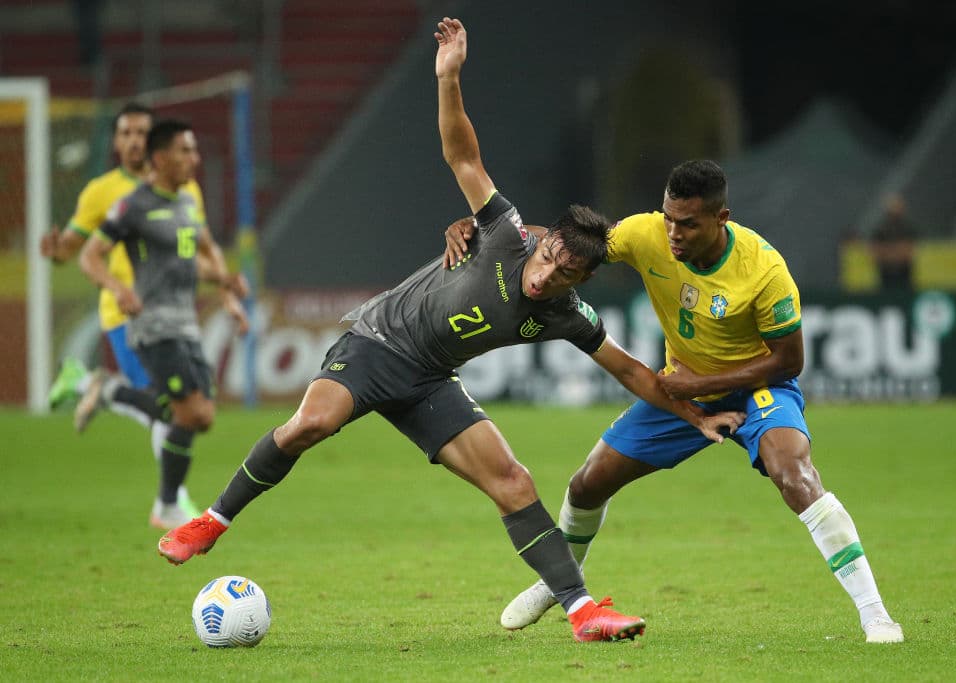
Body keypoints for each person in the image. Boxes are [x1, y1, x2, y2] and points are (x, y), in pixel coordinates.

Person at [156, 17, 743, 644]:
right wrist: (449, 77)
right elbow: (463, 153)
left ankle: (581, 613)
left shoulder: (564, 313)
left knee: (513, 480)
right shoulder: (504, 232)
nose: (547, 279)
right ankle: (211, 522)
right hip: (377, 343)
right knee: (310, 425)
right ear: (543, 241)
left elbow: (631, 371)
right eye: (549, 260)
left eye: (567, 275)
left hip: (430, 379)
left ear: (581, 280)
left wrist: (695, 417)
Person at [446, 161, 904, 644]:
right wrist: (484, 229)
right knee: (586, 485)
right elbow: (564, 243)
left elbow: (789, 361)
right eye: (668, 217)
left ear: (720, 218)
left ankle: (875, 615)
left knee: (794, 474)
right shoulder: (647, 234)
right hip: (684, 389)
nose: (673, 233)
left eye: (687, 223)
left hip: (756, 388)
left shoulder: (764, 271)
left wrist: (703, 381)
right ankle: (557, 585)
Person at [41, 102, 246, 528]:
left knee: (196, 413)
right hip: (143, 319)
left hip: (185, 322)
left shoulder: (188, 199)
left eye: (194, 150)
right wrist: (116, 286)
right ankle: (170, 503)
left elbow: (202, 256)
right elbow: (85, 255)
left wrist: (228, 289)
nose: (195, 159)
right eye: (186, 151)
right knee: (179, 410)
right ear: (160, 156)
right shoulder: (122, 202)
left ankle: (100, 386)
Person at [869, 193, 916, 290]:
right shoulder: (880, 230)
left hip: (904, 276)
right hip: (885, 276)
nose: (895, 210)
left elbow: (907, 253)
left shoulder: (908, 229)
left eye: (897, 207)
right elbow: (876, 253)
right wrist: (896, 252)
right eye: (892, 207)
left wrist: (887, 252)